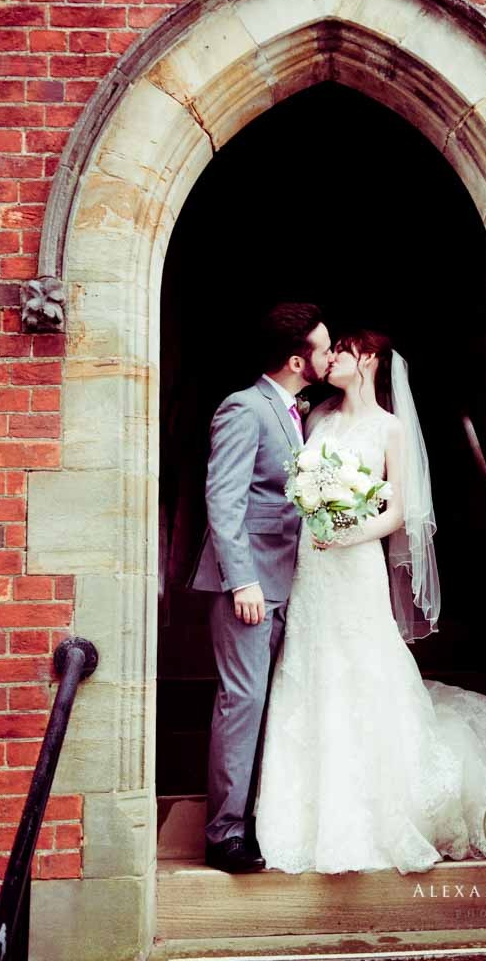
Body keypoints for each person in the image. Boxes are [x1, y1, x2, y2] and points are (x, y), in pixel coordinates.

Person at [253, 329, 486, 875]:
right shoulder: (317, 417)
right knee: (309, 670)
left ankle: (383, 811)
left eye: (341, 352)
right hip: (312, 566)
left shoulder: (389, 428)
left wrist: (348, 531)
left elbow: (400, 512)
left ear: (367, 359)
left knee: (364, 668)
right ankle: (306, 814)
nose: (331, 360)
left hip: (355, 562)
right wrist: (316, 520)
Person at [187, 303, 334, 873]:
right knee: (243, 700)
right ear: (299, 360)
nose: (330, 355)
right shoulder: (244, 409)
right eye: (323, 348)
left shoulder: (298, 412)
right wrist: (241, 580)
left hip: (293, 580)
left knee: (277, 700)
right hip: (249, 586)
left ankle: (261, 815)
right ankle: (224, 834)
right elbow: (224, 502)